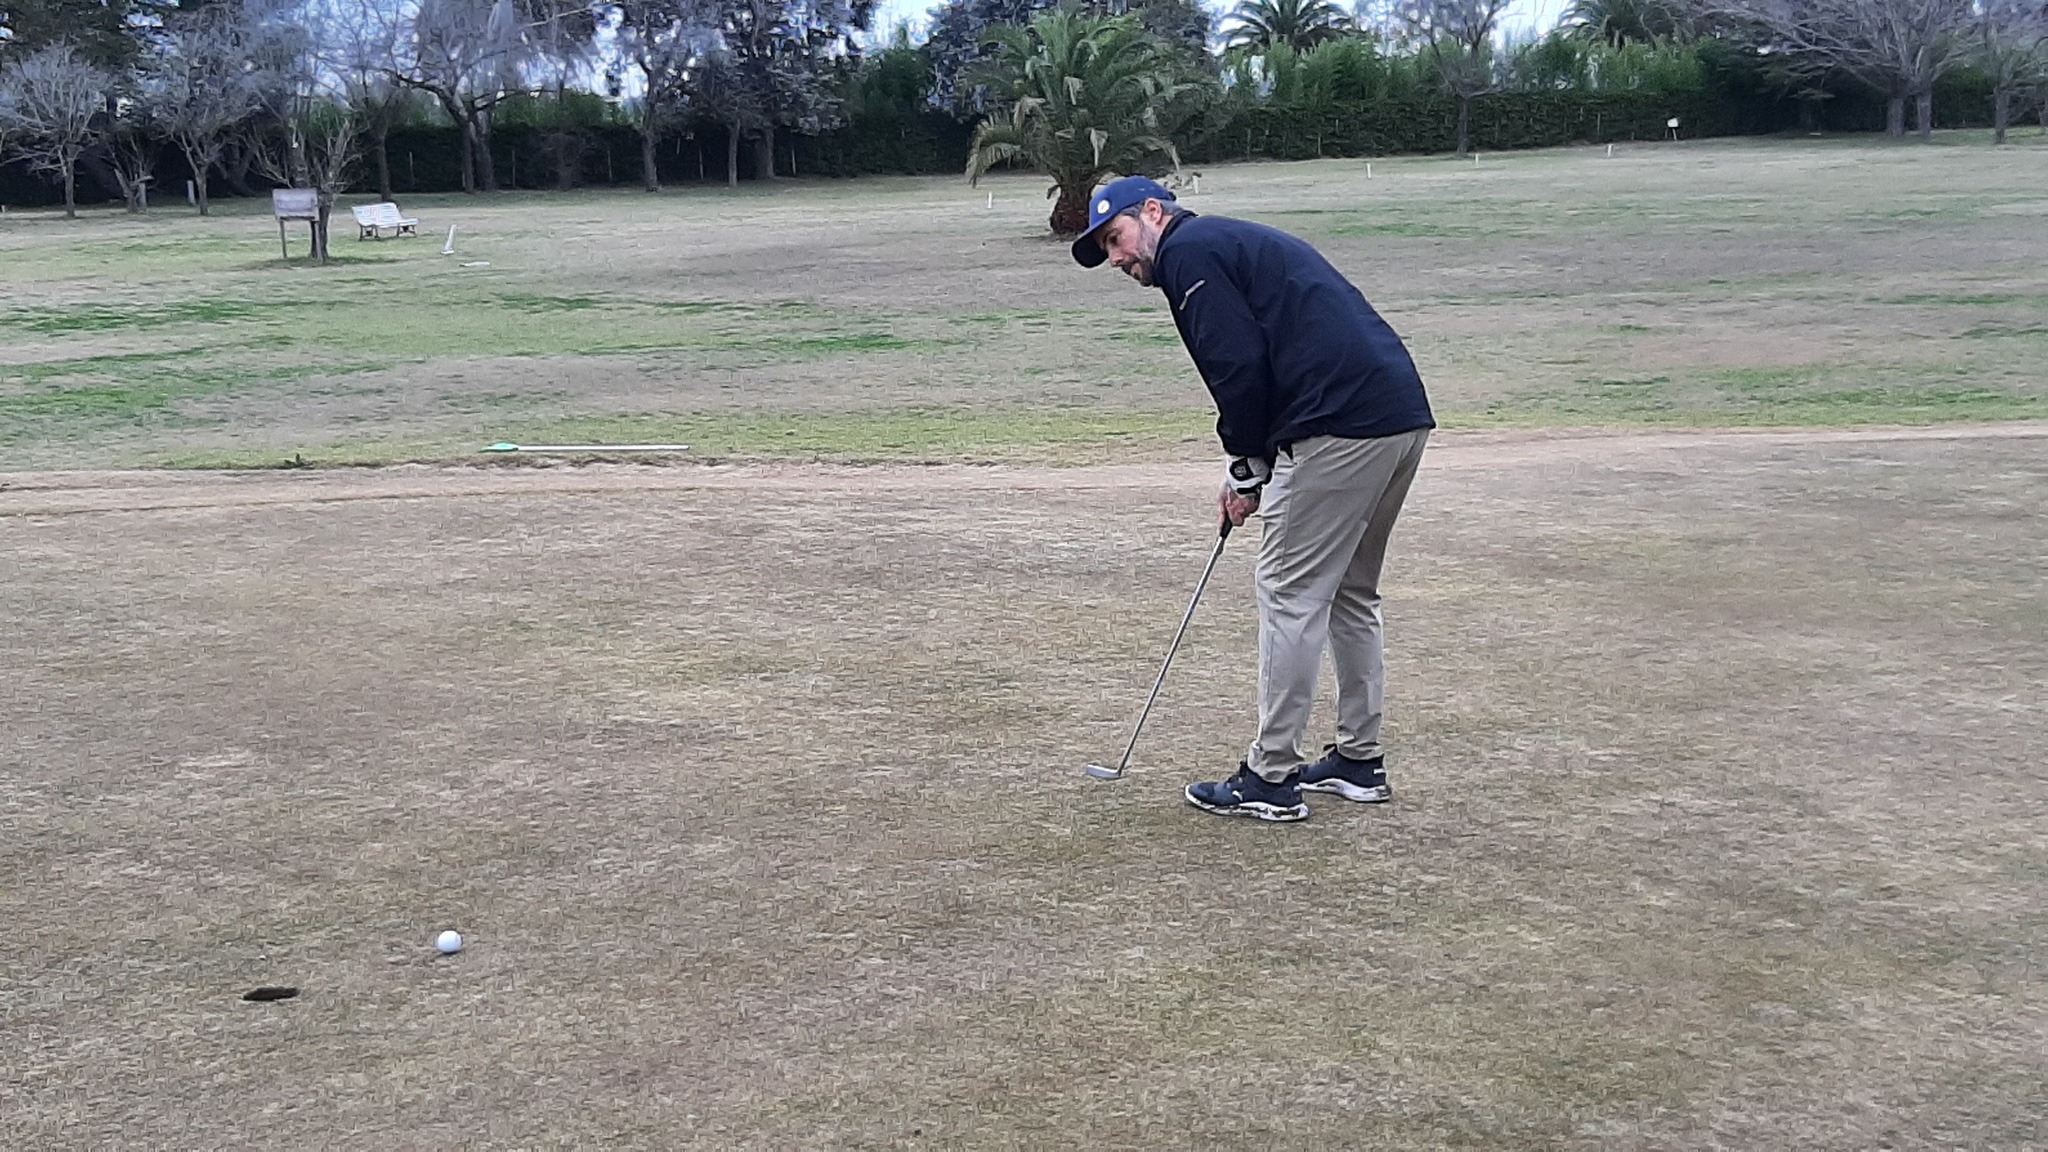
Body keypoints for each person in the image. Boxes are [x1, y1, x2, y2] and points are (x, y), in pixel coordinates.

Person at [1071, 176, 1435, 823]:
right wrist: (1253, 463)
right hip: (1397, 416)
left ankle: (1271, 776)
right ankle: (1358, 761)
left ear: (1153, 212)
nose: (1117, 259)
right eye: (1106, 250)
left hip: (1338, 424)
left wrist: (1245, 467)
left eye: (1117, 239)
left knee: (1290, 593)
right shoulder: (1223, 242)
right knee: (1350, 591)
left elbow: (1237, 366)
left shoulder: (1188, 253)